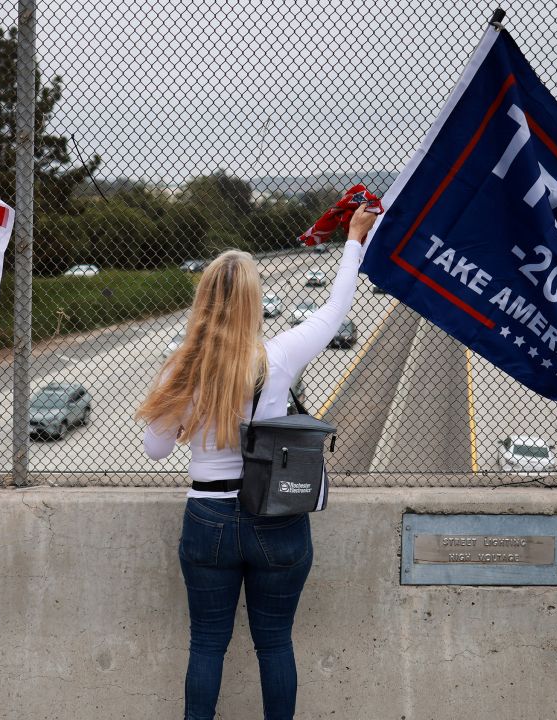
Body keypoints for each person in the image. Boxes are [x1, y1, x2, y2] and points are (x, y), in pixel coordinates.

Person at [136, 205, 378, 719]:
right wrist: (354, 238)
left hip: (207, 517)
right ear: (253, 302)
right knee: (274, 645)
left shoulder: (180, 369)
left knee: (206, 645)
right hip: (276, 518)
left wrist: (184, 427)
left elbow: (155, 449)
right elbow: (334, 311)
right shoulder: (280, 355)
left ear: (202, 300)